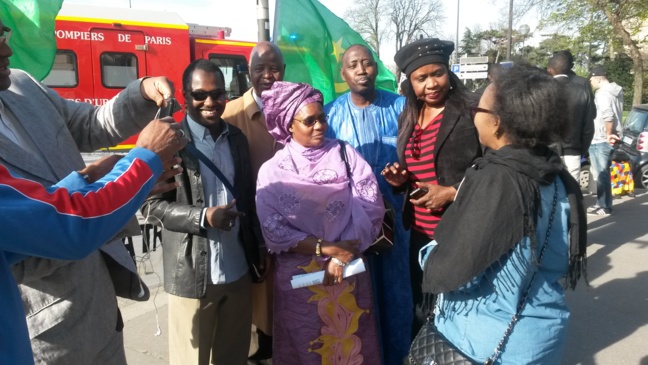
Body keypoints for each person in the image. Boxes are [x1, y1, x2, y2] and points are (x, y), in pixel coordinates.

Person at [0, 18, 178, 365]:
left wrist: (139, 92)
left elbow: (89, 124)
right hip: (50, 336)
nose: (7, 49)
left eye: (1, 34)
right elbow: (54, 230)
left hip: (101, 309)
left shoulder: (22, 86)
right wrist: (141, 164)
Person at [417, 64, 587, 364]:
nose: (474, 115)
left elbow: (458, 270)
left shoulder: (496, 178)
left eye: (478, 109)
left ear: (496, 123)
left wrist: (430, 253)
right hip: (543, 332)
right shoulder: (557, 174)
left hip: (487, 339)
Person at [0, 119, 186, 365]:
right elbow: (74, 225)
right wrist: (144, 158)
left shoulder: (25, 94)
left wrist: (86, 180)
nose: (12, 77)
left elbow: (32, 220)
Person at [141, 59, 264, 365]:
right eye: (200, 95)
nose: (210, 102)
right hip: (193, 274)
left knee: (233, 358)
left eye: (218, 94)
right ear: (185, 96)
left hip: (237, 271)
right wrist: (203, 217)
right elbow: (151, 206)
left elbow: (248, 199)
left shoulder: (237, 139)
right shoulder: (168, 141)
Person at [256, 81, 385, 365]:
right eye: (309, 121)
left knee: (350, 345)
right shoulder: (272, 171)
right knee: (306, 348)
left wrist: (341, 257)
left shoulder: (344, 154)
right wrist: (328, 250)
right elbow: (273, 230)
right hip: (300, 281)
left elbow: (370, 206)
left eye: (322, 118)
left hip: (346, 273)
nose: (319, 126)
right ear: (289, 125)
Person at [382, 37, 481, 336]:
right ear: (410, 82)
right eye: (421, 78)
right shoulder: (408, 117)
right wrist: (401, 181)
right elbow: (417, 171)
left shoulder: (472, 110)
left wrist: (452, 192)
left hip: (461, 231)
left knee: (460, 310)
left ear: (449, 72)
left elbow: (495, 168)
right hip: (421, 234)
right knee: (423, 308)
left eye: (437, 73)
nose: (431, 84)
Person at [324, 43, 410, 365]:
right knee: (358, 294)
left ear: (376, 68)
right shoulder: (330, 115)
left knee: (396, 294)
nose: (362, 70)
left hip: (395, 222)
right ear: (343, 74)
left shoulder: (401, 109)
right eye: (353, 65)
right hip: (350, 222)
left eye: (367, 63)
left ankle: (400, 356)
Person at [221, 40, 285, 361]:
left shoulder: (298, 112)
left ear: (284, 71)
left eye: (274, 68)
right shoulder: (230, 114)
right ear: (249, 73)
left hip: (292, 235)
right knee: (255, 319)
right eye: (260, 68)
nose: (268, 75)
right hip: (249, 234)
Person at [547, 52, 596, 181]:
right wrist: (582, 148)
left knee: (549, 192)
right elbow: (588, 126)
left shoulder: (542, 91)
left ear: (549, 69)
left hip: (547, 149)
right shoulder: (582, 91)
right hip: (573, 149)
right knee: (571, 192)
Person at [588, 66, 623, 216]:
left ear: (597, 78)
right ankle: (603, 203)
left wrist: (608, 133)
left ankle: (604, 206)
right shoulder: (616, 92)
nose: (591, 83)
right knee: (604, 173)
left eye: (591, 80)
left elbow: (608, 115)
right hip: (611, 137)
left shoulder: (602, 94)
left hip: (601, 138)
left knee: (601, 174)